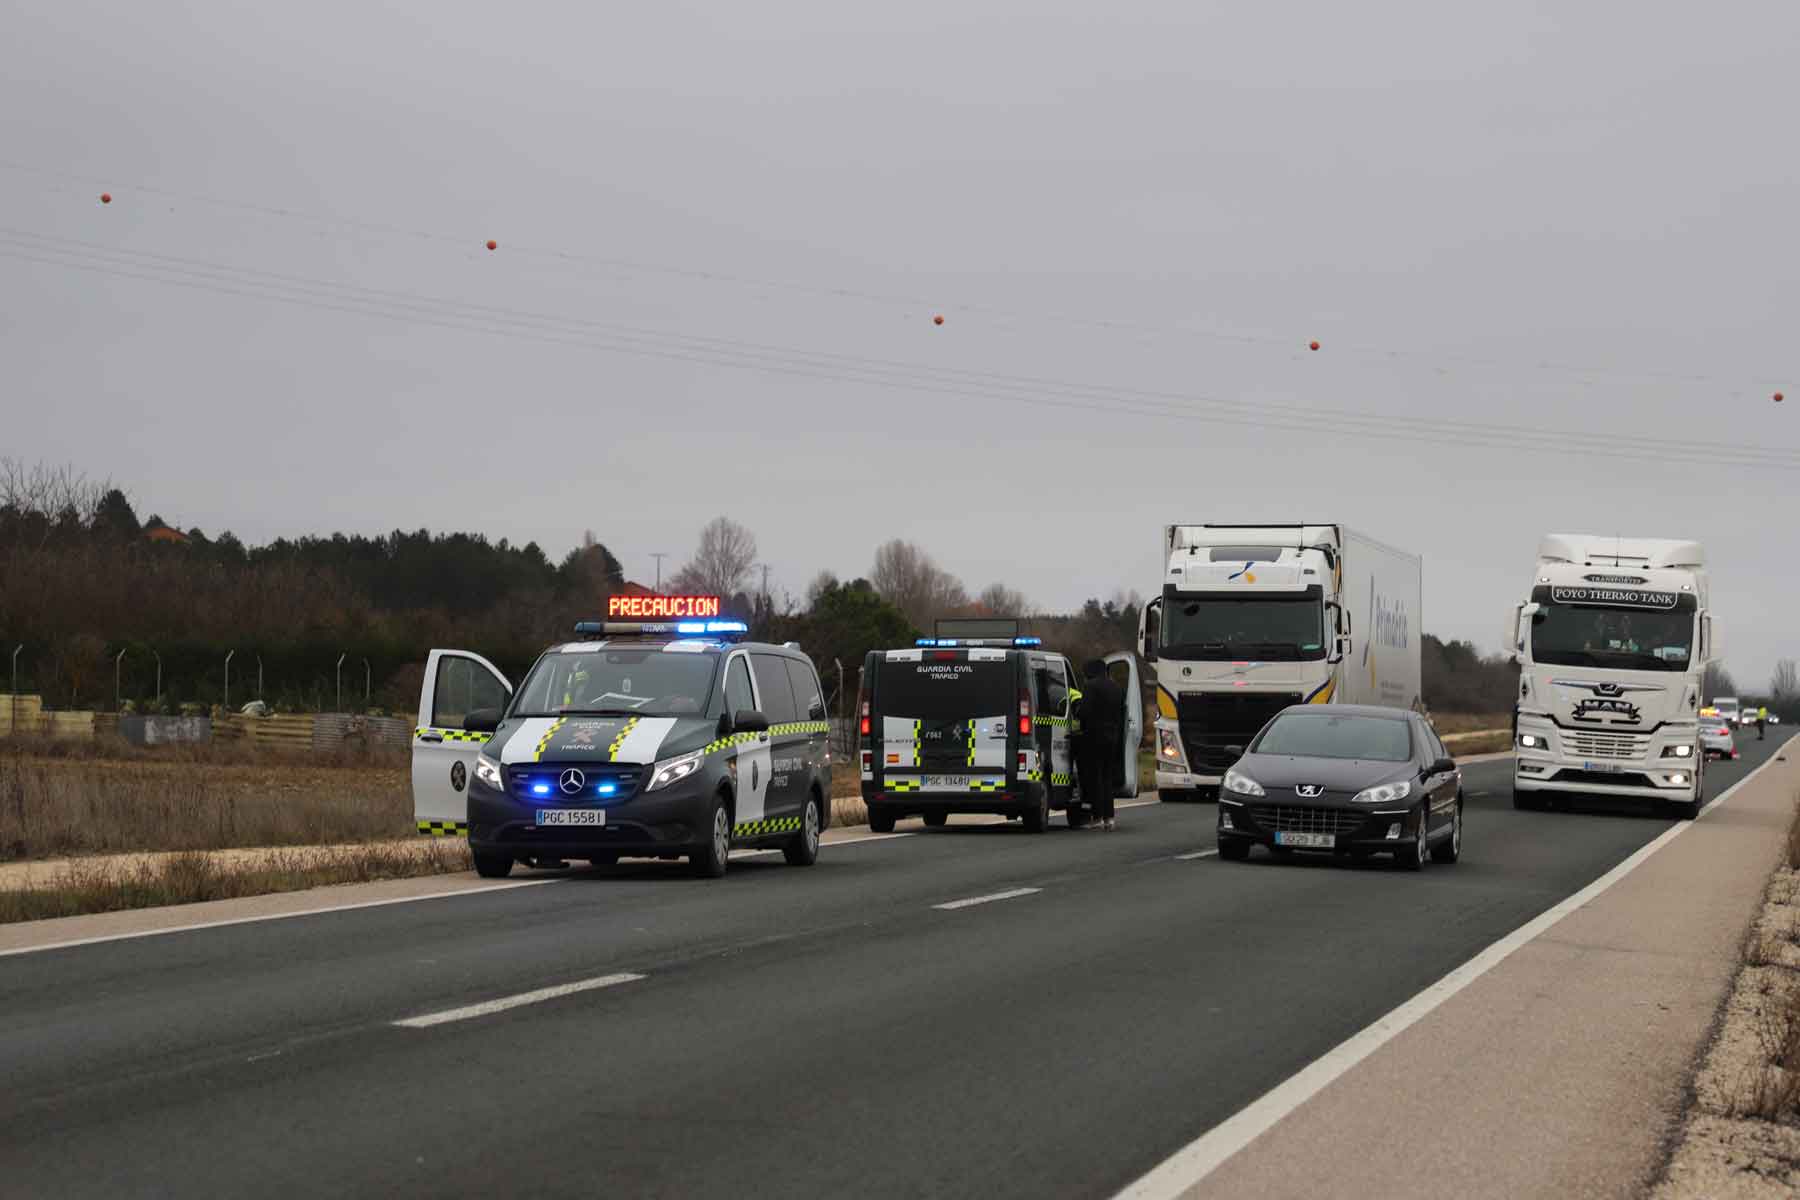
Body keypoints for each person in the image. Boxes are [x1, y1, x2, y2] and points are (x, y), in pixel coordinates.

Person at [1075, 659, 1127, 831]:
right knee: (1107, 778)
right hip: (1112, 737)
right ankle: (1109, 818)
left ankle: (1097, 817)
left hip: (1094, 737)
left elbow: (1084, 712)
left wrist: (1077, 711)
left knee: (1095, 777)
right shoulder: (1116, 688)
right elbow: (1122, 715)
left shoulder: (1091, 687)